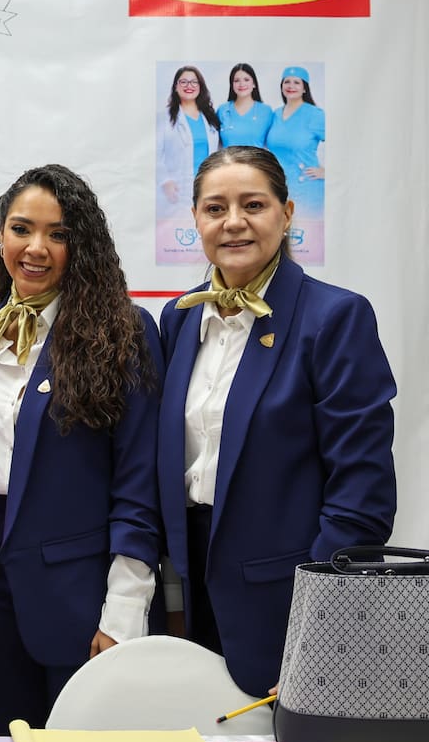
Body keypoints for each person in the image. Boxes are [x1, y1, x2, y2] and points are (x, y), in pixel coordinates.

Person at [158, 146, 395, 698]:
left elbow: (362, 498)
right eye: (215, 208)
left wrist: (315, 621)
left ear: (287, 214)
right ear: (195, 219)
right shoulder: (179, 317)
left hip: (287, 607)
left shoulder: (333, 317)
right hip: (189, 598)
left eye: (253, 205)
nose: (233, 222)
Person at [0, 165, 164, 733]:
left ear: (82, 245)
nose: (36, 248)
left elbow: (139, 482)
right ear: (0, 237)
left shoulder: (125, 331)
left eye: (59, 234)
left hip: (81, 596)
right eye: (22, 229)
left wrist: (123, 610)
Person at [157, 65, 221, 220]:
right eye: (183, 82)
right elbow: (154, 153)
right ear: (175, 87)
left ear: (200, 86)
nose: (189, 86)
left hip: (207, 187)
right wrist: (165, 181)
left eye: (194, 82)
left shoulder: (210, 118)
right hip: (177, 189)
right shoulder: (164, 118)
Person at [265, 65, 325, 217]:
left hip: (306, 188)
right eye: (287, 82)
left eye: (297, 82)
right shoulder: (275, 114)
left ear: (305, 88)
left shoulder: (315, 114)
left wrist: (327, 171)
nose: (291, 86)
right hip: (278, 187)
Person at [216, 63, 271, 148]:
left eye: (246, 79)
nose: (241, 84)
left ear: (254, 84)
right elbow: (215, 143)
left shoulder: (266, 111)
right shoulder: (222, 110)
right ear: (232, 85)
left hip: (256, 161)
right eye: (236, 80)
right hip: (227, 161)